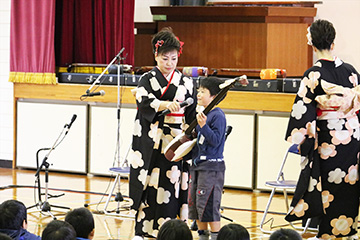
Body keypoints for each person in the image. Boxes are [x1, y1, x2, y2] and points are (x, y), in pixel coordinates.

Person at [285, 19, 360, 239]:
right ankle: (347, 230)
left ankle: (328, 232)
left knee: (329, 186)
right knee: (349, 183)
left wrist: (304, 140)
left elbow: (303, 110)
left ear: (313, 45)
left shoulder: (313, 74)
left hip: (328, 140)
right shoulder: (351, 71)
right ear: (333, 43)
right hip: (353, 135)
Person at [128, 27, 197, 239]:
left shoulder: (186, 82)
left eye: (174, 58)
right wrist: (164, 104)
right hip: (152, 140)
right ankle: (144, 229)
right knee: (150, 182)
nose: (169, 63)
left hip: (175, 140)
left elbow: (191, 112)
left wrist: (192, 129)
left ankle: (171, 230)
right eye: (165, 58)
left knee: (173, 182)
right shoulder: (147, 80)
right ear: (155, 56)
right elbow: (143, 101)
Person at [188, 77, 227, 240]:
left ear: (214, 96)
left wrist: (203, 127)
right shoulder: (203, 113)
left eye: (203, 91)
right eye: (199, 90)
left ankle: (216, 236)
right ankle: (202, 236)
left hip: (211, 167)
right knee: (197, 205)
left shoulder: (217, 115)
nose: (198, 94)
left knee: (209, 205)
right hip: (198, 165)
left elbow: (217, 140)